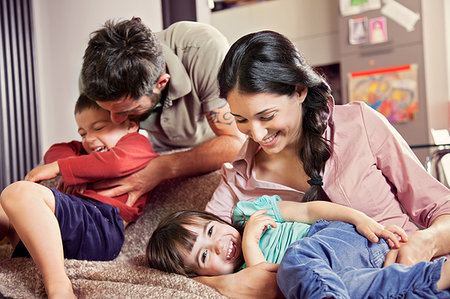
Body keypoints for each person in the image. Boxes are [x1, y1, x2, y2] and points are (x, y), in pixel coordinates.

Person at [199, 30, 450, 298]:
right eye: (241, 119)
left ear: (299, 91)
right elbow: (187, 256)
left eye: (267, 116)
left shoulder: (359, 123)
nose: (258, 134)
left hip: (417, 274)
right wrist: (224, 284)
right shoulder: (238, 183)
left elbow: (441, 207)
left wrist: (427, 242)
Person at [0, 94, 158, 298]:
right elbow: (57, 149)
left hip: (101, 226)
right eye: (83, 133)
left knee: (18, 193)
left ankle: (59, 286)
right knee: (4, 211)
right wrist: (76, 169)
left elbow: (116, 163)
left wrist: (62, 168)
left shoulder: (137, 144)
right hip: (66, 233)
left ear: (130, 124)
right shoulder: (83, 155)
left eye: (99, 128)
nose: (89, 139)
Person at [80, 17, 245, 207]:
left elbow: (235, 142)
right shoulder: (94, 79)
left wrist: (162, 168)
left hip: (209, 143)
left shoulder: (206, 49)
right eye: (106, 110)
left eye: (128, 110)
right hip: (150, 150)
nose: (115, 120)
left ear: (161, 83)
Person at [147, 195, 450, 298]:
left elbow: (310, 211)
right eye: (203, 255)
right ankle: (438, 278)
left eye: (211, 230)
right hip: (347, 273)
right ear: (200, 275)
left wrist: (361, 220)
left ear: (215, 218)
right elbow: (261, 278)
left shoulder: (248, 212)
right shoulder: (239, 280)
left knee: (295, 258)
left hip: (336, 239)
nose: (217, 246)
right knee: (349, 287)